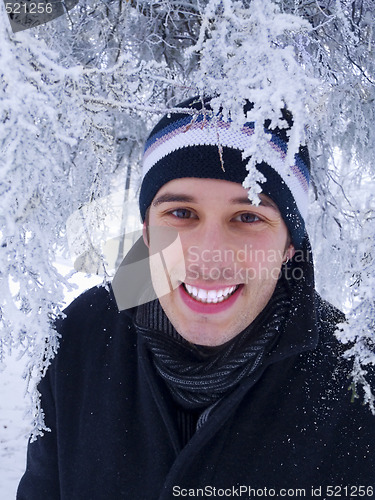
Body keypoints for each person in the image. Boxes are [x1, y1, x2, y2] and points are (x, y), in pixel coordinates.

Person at [17, 97, 374, 500]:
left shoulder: (356, 380)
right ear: (147, 232)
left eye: (249, 216)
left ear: (290, 244)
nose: (210, 255)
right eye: (182, 214)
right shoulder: (81, 334)